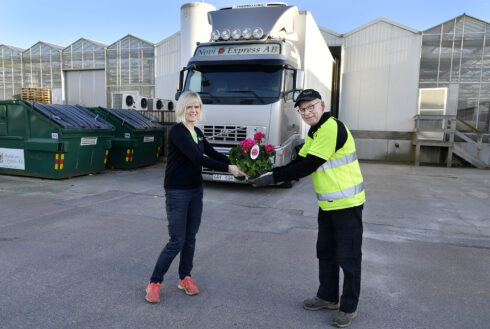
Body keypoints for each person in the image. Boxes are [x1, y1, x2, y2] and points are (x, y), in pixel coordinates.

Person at [253, 89, 365, 328]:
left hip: (348, 204)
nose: (306, 112)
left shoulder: (331, 128)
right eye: (302, 109)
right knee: (325, 251)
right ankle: (327, 296)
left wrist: (272, 179)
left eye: (310, 107)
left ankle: (348, 306)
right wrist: (269, 171)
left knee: (349, 256)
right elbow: (299, 161)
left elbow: (309, 166)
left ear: (322, 105)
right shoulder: (315, 132)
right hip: (328, 204)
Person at [145, 91, 247, 303]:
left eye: (197, 107)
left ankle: (185, 278)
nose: (193, 110)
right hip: (177, 192)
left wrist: (238, 163)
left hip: (195, 190)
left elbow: (212, 153)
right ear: (182, 109)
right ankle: (154, 283)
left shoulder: (197, 132)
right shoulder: (178, 132)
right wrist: (229, 168)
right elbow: (198, 158)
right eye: (189, 107)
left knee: (190, 238)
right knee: (177, 240)